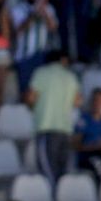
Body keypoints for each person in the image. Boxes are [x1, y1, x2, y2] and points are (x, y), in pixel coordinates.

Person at [26, 48, 81, 184]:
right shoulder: (70, 76)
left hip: (46, 127)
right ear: (63, 60)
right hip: (65, 129)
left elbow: (31, 98)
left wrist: (35, 109)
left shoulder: (41, 73)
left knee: (47, 171)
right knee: (62, 171)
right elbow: (77, 101)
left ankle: (52, 199)